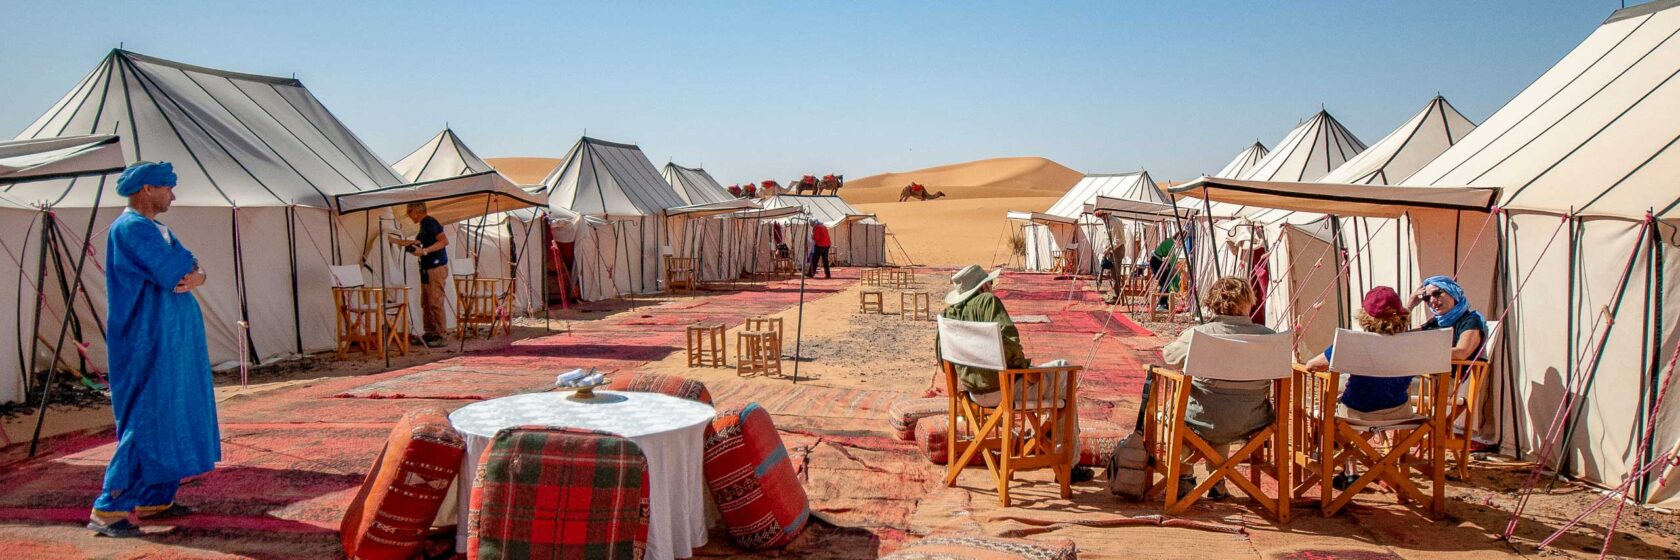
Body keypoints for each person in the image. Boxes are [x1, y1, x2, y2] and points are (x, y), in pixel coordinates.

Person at [88, 162, 220, 538]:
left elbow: (193, 267)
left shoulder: (157, 229)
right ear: (147, 188)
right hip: (148, 338)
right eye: (168, 188)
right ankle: (109, 509)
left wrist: (196, 274)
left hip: (171, 339)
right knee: (148, 416)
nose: (173, 196)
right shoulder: (131, 229)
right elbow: (175, 270)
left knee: (174, 410)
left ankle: (155, 498)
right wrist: (192, 273)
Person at [937, 265, 1093, 482]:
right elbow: (1009, 343)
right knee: (1064, 372)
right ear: (984, 286)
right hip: (1005, 389)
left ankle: (1048, 437)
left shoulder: (946, 316)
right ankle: (1068, 463)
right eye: (989, 284)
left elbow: (943, 360)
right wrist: (1023, 368)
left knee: (1056, 376)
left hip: (972, 394)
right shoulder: (988, 302)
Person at [1155, 276, 1278, 499]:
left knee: (1186, 414)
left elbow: (1169, 356)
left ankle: (1184, 476)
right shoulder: (1269, 338)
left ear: (1212, 302)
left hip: (1202, 417)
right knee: (1221, 411)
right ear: (1249, 301)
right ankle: (1217, 480)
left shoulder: (1200, 335)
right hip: (1252, 420)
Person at [1302, 286, 1414, 489]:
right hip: (1400, 413)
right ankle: (1391, 473)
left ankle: (1349, 470)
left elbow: (1312, 365)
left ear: (1364, 315)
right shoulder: (1414, 343)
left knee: (1331, 410)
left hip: (1356, 412)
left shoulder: (1353, 342)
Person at [1408, 275, 1487, 361]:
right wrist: (1410, 304)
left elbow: (1461, 352)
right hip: (1426, 371)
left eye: (1437, 294)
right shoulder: (1436, 322)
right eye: (1427, 298)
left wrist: (1423, 354)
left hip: (1449, 373)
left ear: (1452, 292)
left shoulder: (1470, 320)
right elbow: (1402, 338)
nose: (1432, 301)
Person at [403, 202, 449, 347]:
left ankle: (441, 335)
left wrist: (425, 251)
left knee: (435, 302)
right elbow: (419, 243)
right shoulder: (424, 225)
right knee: (426, 302)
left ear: (415, 211)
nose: (409, 217)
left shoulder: (430, 222)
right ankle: (430, 332)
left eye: (409, 212)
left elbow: (443, 241)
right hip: (426, 268)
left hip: (435, 267)